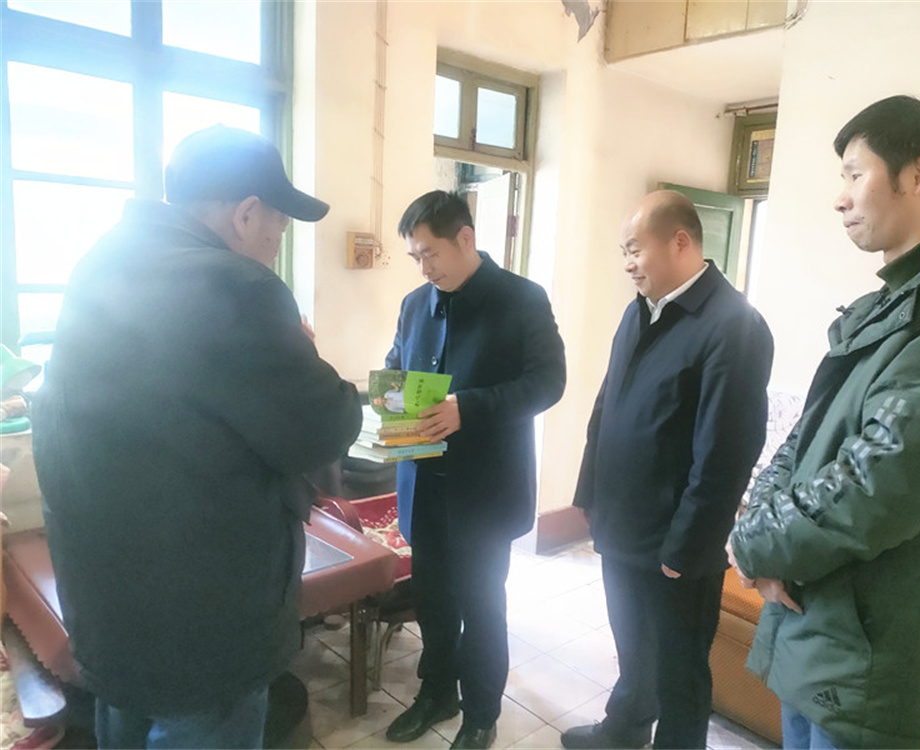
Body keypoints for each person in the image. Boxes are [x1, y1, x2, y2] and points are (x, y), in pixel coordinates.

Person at [31, 125, 363, 749]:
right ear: (246, 214)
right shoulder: (238, 286)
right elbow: (323, 429)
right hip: (204, 626)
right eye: (278, 228)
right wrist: (308, 357)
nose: (275, 245)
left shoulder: (101, 263)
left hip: (107, 606)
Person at [728, 95, 920, 749]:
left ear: (918, 175)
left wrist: (757, 546)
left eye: (855, 173)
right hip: (823, 629)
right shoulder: (889, 304)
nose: (840, 197)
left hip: (880, 656)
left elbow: (883, 476)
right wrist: (754, 529)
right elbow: (803, 440)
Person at [563, 190, 773, 749]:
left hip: (675, 544)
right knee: (633, 646)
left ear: (680, 242)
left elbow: (726, 453)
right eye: (624, 253)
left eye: (635, 249)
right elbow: (606, 408)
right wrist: (589, 493)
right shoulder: (641, 311)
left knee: (680, 670)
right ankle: (625, 730)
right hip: (622, 524)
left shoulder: (732, 326)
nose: (628, 264)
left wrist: (687, 546)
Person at [383, 190, 565, 750]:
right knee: (433, 602)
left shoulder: (522, 299)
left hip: (484, 494)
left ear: (465, 238)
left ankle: (482, 713)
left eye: (430, 253)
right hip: (423, 485)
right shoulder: (415, 304)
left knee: (483, 607)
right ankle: (437, 692)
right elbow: (395, 366)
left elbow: (548, 383)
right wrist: (388, 398)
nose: (424, 267)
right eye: (415, 257)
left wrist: (469, 407)